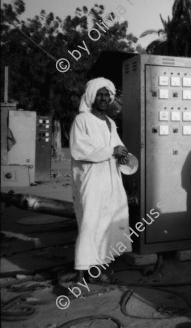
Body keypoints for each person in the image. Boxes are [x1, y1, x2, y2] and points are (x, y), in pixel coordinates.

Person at [70, 77, 131, 282]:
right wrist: (110, 151)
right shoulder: (82, 120)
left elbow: (118, 146)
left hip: (111, 180)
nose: (104, 98)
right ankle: (80, 274)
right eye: (100, 94)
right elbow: (80, 150)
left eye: (107, 95)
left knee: (107, 224)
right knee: (89, 223)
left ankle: (99, 270)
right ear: (92, 96)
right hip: (91, 181)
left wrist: (122, 154)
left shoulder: (110, 122)